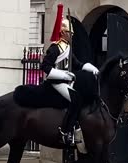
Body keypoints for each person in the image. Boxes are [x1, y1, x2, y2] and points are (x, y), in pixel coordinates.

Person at [40, 3, 99, 145]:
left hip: (67, 82)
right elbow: (45, 67)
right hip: (56, 82)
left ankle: (76, 127)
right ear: (63, 33)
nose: (72, 35)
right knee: (76, 100)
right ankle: (65, 131)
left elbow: (77, 64)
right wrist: (64, 75)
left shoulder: (67, 48)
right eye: (69, 33)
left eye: (72, 33)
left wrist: (92, 68)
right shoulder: (55, 48)